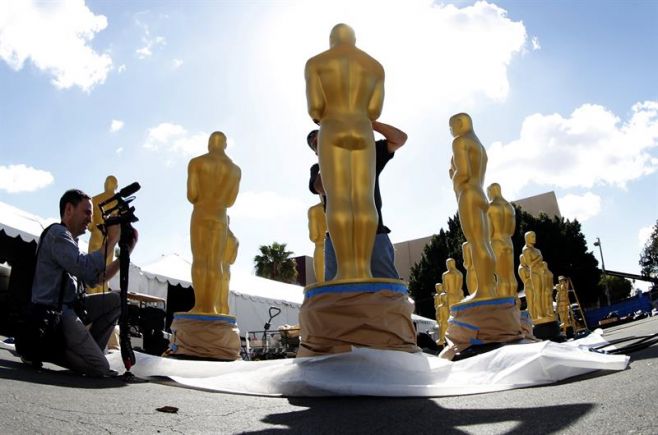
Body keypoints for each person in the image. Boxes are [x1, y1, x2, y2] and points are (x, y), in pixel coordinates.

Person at [305, 23, 385, 280]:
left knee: (338, 198)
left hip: (333, 127)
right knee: (364, 199)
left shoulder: (316, 63)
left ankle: (346, 271)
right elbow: (374, 111)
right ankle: (362, 269)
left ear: (331, 39)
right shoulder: (374, 66)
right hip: (362, 128)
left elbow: (315, 107)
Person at [30, 189, 137, 376]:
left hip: (71, 307)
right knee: (100, 368)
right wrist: (111, 241)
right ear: (69, 209)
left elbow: (95, 279)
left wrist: (124, 255)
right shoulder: (58, 234)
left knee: (115, 300)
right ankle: (51, 351)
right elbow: (84, 268)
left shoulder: (71, 241)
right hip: (55, 312)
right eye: (87, 212)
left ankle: (88, 351)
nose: (90, 219)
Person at [307, 120, 407, 280]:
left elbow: (399, 139)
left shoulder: (365, 154)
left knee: (386, 290)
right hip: (337, 239)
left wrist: (367, 120)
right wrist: (326, 157)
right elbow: (320, 187)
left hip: (374, 233)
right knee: (337, 292)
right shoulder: (320, 170)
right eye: (316, 145)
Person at [188, 131, 241, 314]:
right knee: (216, 263)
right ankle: (212, 307)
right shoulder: (235, 170)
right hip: (220, 216)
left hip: (202, 213)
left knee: (200, 260)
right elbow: (230, 201)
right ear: (225, 144)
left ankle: (200, 305)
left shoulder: (197, 162)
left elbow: (192, 195)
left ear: (210, 143)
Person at [449, 113, 497, 299]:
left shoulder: (459, 142)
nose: (451, 130)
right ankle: (489, 287)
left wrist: (453, 177)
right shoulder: (479, 146)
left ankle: (483, 289)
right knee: (484, 243)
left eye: (452, 126)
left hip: (468, 192)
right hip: (480, 191)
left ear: (460, 124)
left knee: (475, 243)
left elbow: (462, 173)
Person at [87, 175, 119, 294]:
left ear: (105, 184)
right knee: (106, 270)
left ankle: (91, 295)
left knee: (92, 268)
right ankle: (101, 296)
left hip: (96, 235)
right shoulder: (118, 201)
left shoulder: (94, 199)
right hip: (110, 237)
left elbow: (89, 225)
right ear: (116, 185)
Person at [486, 182, 517, 298]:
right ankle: (514, 302)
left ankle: (505, 306)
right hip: (508, 241)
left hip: (496, 241)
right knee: (510, 274)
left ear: (490, 191)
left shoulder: (490, 206)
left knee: (501, 277)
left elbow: (490, 231)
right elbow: (512, 230)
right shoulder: (510, 207)